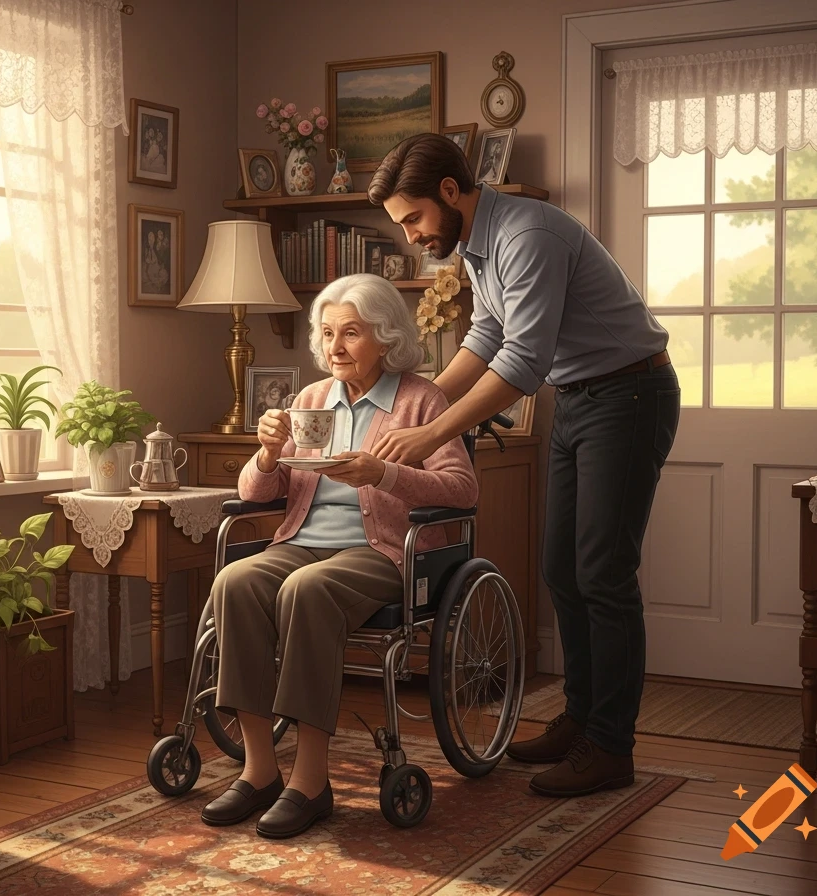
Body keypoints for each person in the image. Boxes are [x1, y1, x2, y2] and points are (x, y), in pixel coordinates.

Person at [366, 133, 679, 798]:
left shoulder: (527, 235)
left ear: (452, 192)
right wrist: (411, 408)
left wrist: (429, 436)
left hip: (629, 396)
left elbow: (523, 364)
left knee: (604, 574)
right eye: (402, 225)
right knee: (563, 571)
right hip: (586, 397)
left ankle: (611, 747)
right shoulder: (480, 243)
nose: (411, 235)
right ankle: (581, 723)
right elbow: (487, 335)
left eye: (414, 218)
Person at [201, 273, 479, 838]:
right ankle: (259, 770)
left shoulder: (422, 400)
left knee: (308, 589)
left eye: (351, 333)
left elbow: (462, 490)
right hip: (302, 540)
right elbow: (257, 495)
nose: (335, 346)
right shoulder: (309, 400)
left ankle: (310, 782)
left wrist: (386, 473)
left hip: (379, 550)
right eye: (328, 333)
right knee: (235, 580)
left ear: (385, 335)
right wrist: (267, 453)